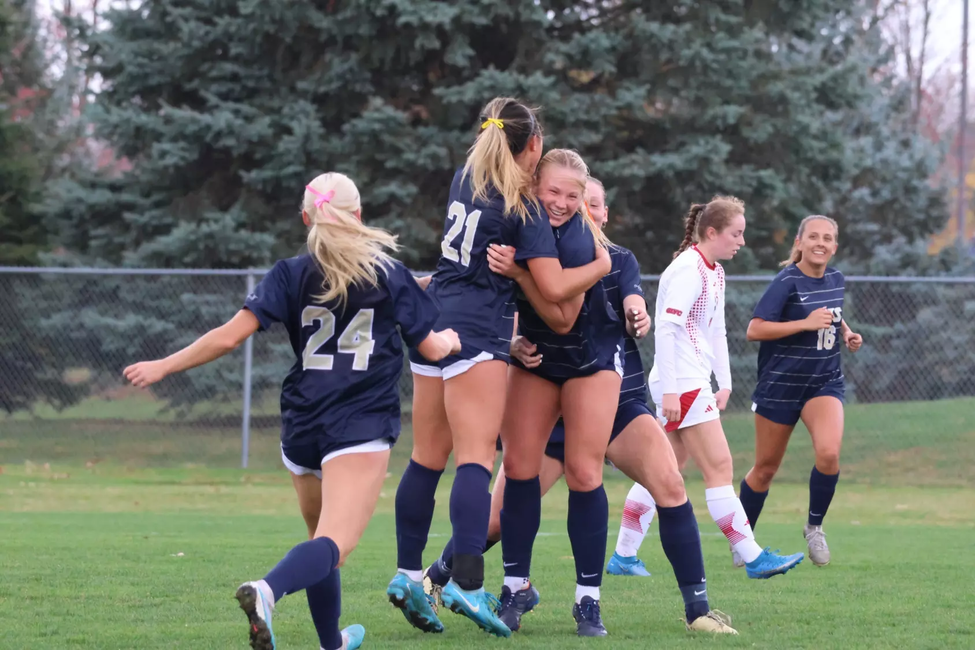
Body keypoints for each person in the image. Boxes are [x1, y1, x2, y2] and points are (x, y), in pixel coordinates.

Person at [123, 173, 459, 650]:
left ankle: (332, 643)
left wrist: (163, 365)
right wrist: (449, 339)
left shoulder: (290, 273)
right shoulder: (388, 273)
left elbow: (228, 335)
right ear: (360, 215)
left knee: (319, 540)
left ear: (306, 217)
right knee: (333, 545)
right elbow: (430, 343)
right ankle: (268, 589)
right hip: (357, 425)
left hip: (302, 422)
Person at [424, 178, 738, 636]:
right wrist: (512, 343)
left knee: (670, 483)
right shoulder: (532, 255)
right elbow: (506, 315)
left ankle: (698, 611)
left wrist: (639, 313)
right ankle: (437, 581)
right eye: (571, 201)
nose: (579, 210)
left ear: (603, 213)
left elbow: (633, 298)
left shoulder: (617, 260)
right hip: (550, 407)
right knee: (495, 515)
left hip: (614, 405)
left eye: (590, 204)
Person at [387, 99, 611, 638]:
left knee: (424, 458)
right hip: (476, 332)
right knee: (475, 459)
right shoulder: (522, 204)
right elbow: (557, 291)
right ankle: (467, 580)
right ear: (532, 147)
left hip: (431, 322)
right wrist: (603, 262)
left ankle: (408, 574)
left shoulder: (466, 176)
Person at [647, 196, 805, 581]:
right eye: (736, 234)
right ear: (711, 232)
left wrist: (725, 381)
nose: (742, 241)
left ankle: (623, 552)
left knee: (662, 470)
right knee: (718, 467)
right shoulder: (688, 270)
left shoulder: (713, 270)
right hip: (681, 382)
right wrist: (670, 390)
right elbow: (667, 329)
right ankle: (752, 556)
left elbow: (714, 329)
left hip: (691, 380)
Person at [737, 215, 862, 567]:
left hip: (823, 383)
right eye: (813, 237)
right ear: (799, 242)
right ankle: (743, 540)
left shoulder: (836, 278)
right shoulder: (786, 281)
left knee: (829, 454)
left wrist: (846, 333)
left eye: (828, 238)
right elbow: (754, 329)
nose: (820, 243)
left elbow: (831, 314)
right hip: (780, 387)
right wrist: (804, 324)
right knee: (764, 468)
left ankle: (814, 527)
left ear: (835, 246)